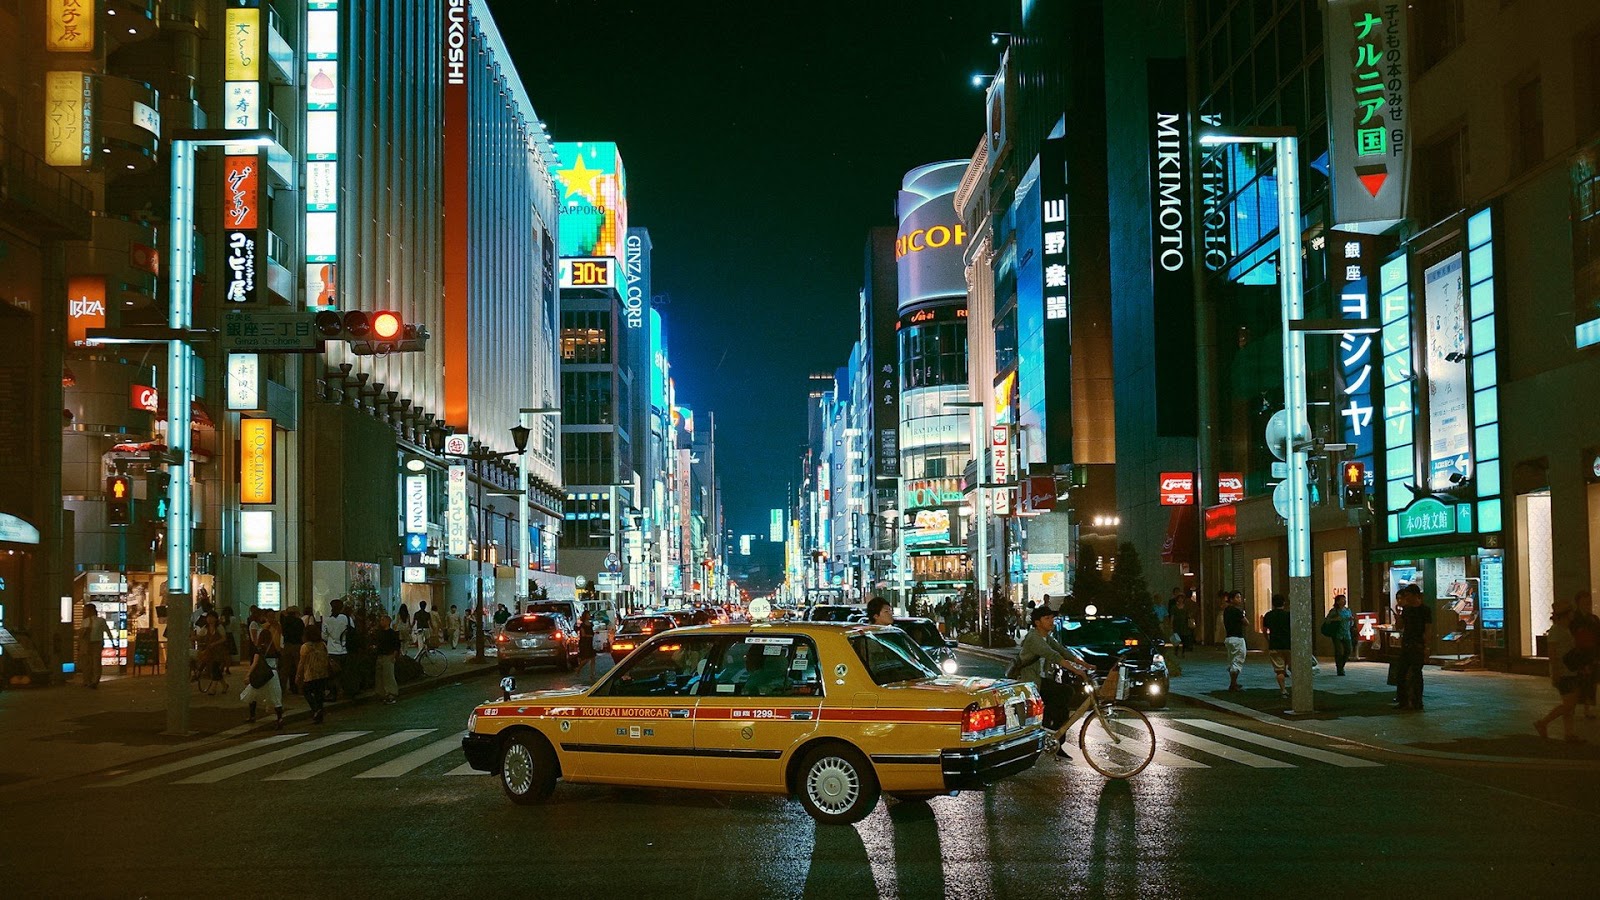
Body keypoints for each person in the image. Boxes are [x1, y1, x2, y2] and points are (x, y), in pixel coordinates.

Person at [1016, 605, 1094, 758]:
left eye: (1052, 618)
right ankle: (1045, 723)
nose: (1051, 621)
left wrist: (1085, 665)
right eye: (1047, 618)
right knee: (1065, 692)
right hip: (1031, 682)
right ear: (1038, 623)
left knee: (1063, 707)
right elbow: (1053, 656)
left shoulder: (1046, 637)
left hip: (1041, 680)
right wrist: (1078, 671)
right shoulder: (1034, 638)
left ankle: (1056, 742)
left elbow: (1062, 651)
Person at [1534, 597, 1589, 743]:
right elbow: (1552, 652)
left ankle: (1569, 733)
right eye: (1570, 612)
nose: (1572, 615)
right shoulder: (1557, 630)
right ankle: (1543, 723)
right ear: (1566, 614)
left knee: (1570, 705)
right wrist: (1556, 671)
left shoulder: (1564, 629)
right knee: (1568, 704)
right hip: (1564, 672)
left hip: (1569, 670)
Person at [1394, 584, 1432, 711]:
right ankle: (1403, 701)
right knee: (1401, 673)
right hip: (1407, 643)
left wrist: (1426, 646)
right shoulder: (1406, 609)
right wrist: (1398, 617)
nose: (1406, 598)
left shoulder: (1425, 610)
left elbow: (1428, 629)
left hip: (1418, 644)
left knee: (1416, 673)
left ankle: (1417, 702)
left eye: (1408, 595)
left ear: (1416, 595)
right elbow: (1399, 626)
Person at [239, 629, 284, 729]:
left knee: (253, 693)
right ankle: (279, 718)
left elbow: (255, 663)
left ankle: (252, 715)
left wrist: (248, 675)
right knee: (275, 697)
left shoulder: (258, 649)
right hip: (273, 674)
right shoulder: (274, 648)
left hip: (262, 674)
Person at [1571, 591, 1599, 720]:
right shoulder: (1574, 619)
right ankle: (1574, 706)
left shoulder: (1593, 619)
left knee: (1590, 682)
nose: (1587, 604)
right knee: (1580, 682)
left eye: (1589, 602)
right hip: (1580, 654)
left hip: (1591, 653)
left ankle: (1587, 708)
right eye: (1585, 602)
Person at [297, 622, 331, 724]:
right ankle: (319, 713)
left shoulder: (306, 646)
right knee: (319, 694)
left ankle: (315, 709)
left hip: (310, 673)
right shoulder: (322, 644)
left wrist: (298, 674)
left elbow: (302, 662)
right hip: (322, 672)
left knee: (306, 691)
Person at [1262, 594, 1292, 699]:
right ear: (1284, 603)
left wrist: (1268, 639)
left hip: (1275, 644)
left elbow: (1264, 630)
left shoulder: (1268, 615)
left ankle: (1283, 690)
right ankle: (1299, 688)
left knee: (1280, 670)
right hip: (1289, 644)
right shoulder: (1288, 615)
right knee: (1294, 668)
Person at [322, 598, 352, 701]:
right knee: (344, 672)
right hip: (345, 649)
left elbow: (324, 636)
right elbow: (352, 631)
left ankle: (333, 693)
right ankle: (345, 691)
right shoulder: (347, 618)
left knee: (333, 673)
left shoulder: (327, 620)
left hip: (332, 650)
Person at [78, 603, 113, 689]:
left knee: (95, 662)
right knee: (88, 663)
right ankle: (88, 680)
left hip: (96, 643)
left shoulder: (100, 620)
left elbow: (107, 631)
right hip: (88, 644)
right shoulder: (85, 621)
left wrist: (112, 641)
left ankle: (94, 681)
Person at [1324, 594, 1356, 676]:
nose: (1344, 601)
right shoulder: (1334, 611)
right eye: (1342, 600)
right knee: (1339, 651)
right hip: (1337, 633)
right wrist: (1335, 619)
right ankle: (1339, 668)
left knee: (1348, 650)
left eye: (1344, 599)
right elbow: (1327, 621)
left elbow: (1351, 622)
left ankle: (1341, 666)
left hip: (1346, 633)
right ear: (1337, 602)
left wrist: (1351, 620)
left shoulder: (1348, 610)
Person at [372, 614, 401, 703]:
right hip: (380, 655)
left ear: (388, 622)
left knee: (388, 676)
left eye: (383, 620)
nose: (381, 622)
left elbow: (396, 645)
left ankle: (391, 693)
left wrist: (394, 655)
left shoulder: (391, 633)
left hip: (388, 656)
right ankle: (381, 693)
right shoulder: (379, 633)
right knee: (379, 676)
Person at [1223, 592, 1248, 692]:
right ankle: (1233, 684)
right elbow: (1246, 623)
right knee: (1238, 661)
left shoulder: (1226, 610)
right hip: (1237, 638)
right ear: (1231, 599)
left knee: (1232, 661)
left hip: (1229, 638)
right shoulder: (1237, 611)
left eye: (1240, 597)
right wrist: (1243, 615)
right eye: (1237, 597)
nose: (1240, 599)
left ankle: (1234, 683)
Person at [279, 606, 304, 695]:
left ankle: (282, 689)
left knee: (285, 669)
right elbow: (302, 634)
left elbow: (282, 633)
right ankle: (301, 689)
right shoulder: (299, 621)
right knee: (299, 667)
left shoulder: (284, 621)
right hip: (297, 645)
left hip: (287, 646)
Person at [576, 612, 599, 680]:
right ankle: (578, 668)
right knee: (586, 659)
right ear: (585, 616)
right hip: (585, 643)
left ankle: (592, 674)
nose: (589, 616)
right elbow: (583, 635)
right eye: (588, 614)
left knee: (593, 658)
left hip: (590, 642)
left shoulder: (590, 624)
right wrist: (590, 636)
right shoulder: (583, 625)